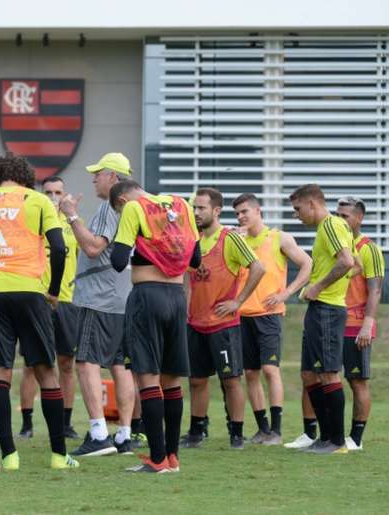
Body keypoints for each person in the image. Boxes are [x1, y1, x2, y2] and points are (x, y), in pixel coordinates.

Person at [0, 153, 78, 470]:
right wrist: (53, 290)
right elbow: (60, 248)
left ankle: (9, 456)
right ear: (25, 177)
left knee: (0, 372)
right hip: (31, 292)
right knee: (46, 370)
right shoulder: (37, 201)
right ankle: (59, 456)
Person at [109, 180, 199, 473]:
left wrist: (136, 244)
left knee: (148, 378)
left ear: (122, 200)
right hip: (176, 297)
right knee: (172, 381)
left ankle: (157, 458)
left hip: (148, 297)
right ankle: (172, 458)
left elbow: (119, 261)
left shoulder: (134, 208)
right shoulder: (181, 204)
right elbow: (195, 258)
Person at [58, 152, 135, 456]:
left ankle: (99, 433)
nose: (93, 178)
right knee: (120, 365)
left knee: (86, 362)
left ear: (113, 178)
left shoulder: (108, 207)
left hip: (100, 298)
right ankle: (124, 435)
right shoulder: (134, 208)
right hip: (124, 297)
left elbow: (92, 248)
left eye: (98, 173)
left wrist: (71, 216)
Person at [182, 187, 265, 450]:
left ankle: (236, 433)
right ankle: (197, 431)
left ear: (216, 211)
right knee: (196, 380)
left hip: (223, 325)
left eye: (201, 208)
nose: (196, 212)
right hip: (195, 323)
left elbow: (258, 268)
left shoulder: (230, 238)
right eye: (194, 207)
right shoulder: (191, 239)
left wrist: (238, 302)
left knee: (230, 380)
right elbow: (186, 277)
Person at [232, 193, 312, 445]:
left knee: (270, 369)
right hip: (242, 315)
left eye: (245, 211)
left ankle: (276, 430)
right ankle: (263, 428)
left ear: (258, 211)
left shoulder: (279, 238)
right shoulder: (237, 240)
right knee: (250, 373)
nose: (241, 217)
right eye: (237, 213)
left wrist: (287, 293)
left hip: (269, 315)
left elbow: (307, 263)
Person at [288, 184, 354, 454]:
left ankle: (337, 441)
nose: (296, 215)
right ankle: (325, 438)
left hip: (327, 308)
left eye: (297, 209)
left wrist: (318, 286)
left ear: (313, 203)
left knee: (328, 373)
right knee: (309, 374)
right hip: (318, 309)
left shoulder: (330, 225)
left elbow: (347, 262)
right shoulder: (329, 229)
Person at [18, 176, 80, 441]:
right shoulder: (31, 220)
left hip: (66, 300)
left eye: (58, 192)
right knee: (31, 365)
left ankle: (66, 424)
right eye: (48, 192)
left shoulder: (72, 222)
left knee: (66, 364)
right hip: (37, 300)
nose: (53, 196)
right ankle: (27, 423)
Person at [336, 196, 383, 451]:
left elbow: (375, 290)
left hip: (356, 324)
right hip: (332, 322)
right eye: (337, 215)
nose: (340, 220)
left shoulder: (369, 248)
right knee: (320, 376)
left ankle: (355, 439)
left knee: (357, 381)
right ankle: (323, 434)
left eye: (345, 216)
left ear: (359, 218)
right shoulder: (336, 246)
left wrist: (368, 324)